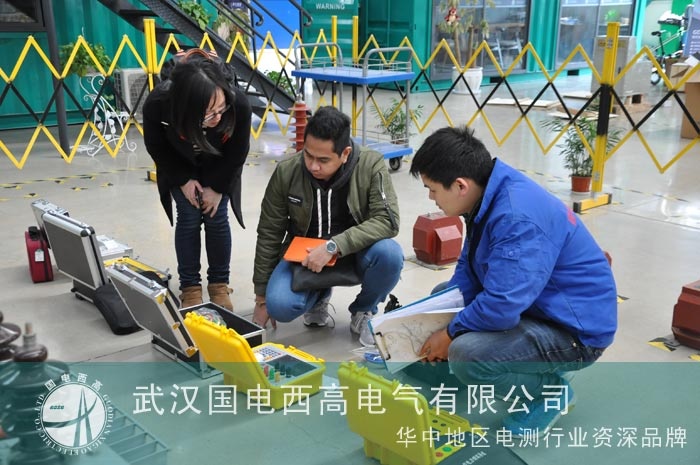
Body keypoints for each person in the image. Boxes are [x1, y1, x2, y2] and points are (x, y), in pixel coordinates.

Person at [409, 127, 617, 437]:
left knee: (467, 354)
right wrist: (441, 313)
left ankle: (548, 393)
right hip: (539, 305)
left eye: (433, 190)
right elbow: (470, 267)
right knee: (445, 295)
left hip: (575, 332)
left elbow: (502, 305)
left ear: (460, 185)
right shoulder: (488, 193)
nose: (431, 198)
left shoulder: (515, 218)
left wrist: (450, 334)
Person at [252, 106, 403, 346]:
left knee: (390, 255)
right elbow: (269, 232)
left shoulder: (370, 165)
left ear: (345, 153)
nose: (313, 166)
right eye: (308, 155)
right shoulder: (287, 172)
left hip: (355, 252)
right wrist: (261, 297)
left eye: (323, 160)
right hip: (305, 257)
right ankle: (319, 294)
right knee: (279, 305)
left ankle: (364, 309)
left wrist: (334, 246)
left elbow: (388, 220)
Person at [143, 50, 252, 311]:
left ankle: (219, 285)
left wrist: (217, 188)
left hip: (220, 166)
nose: (217, 118)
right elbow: (156, 146)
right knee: (189, 217)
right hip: (180, 164)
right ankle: (190, 287)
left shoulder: (237, 103)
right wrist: (182, 180)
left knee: (217, 217)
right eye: (209, 113)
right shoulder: (158, 103)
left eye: (221, 109)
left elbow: (238, 151)